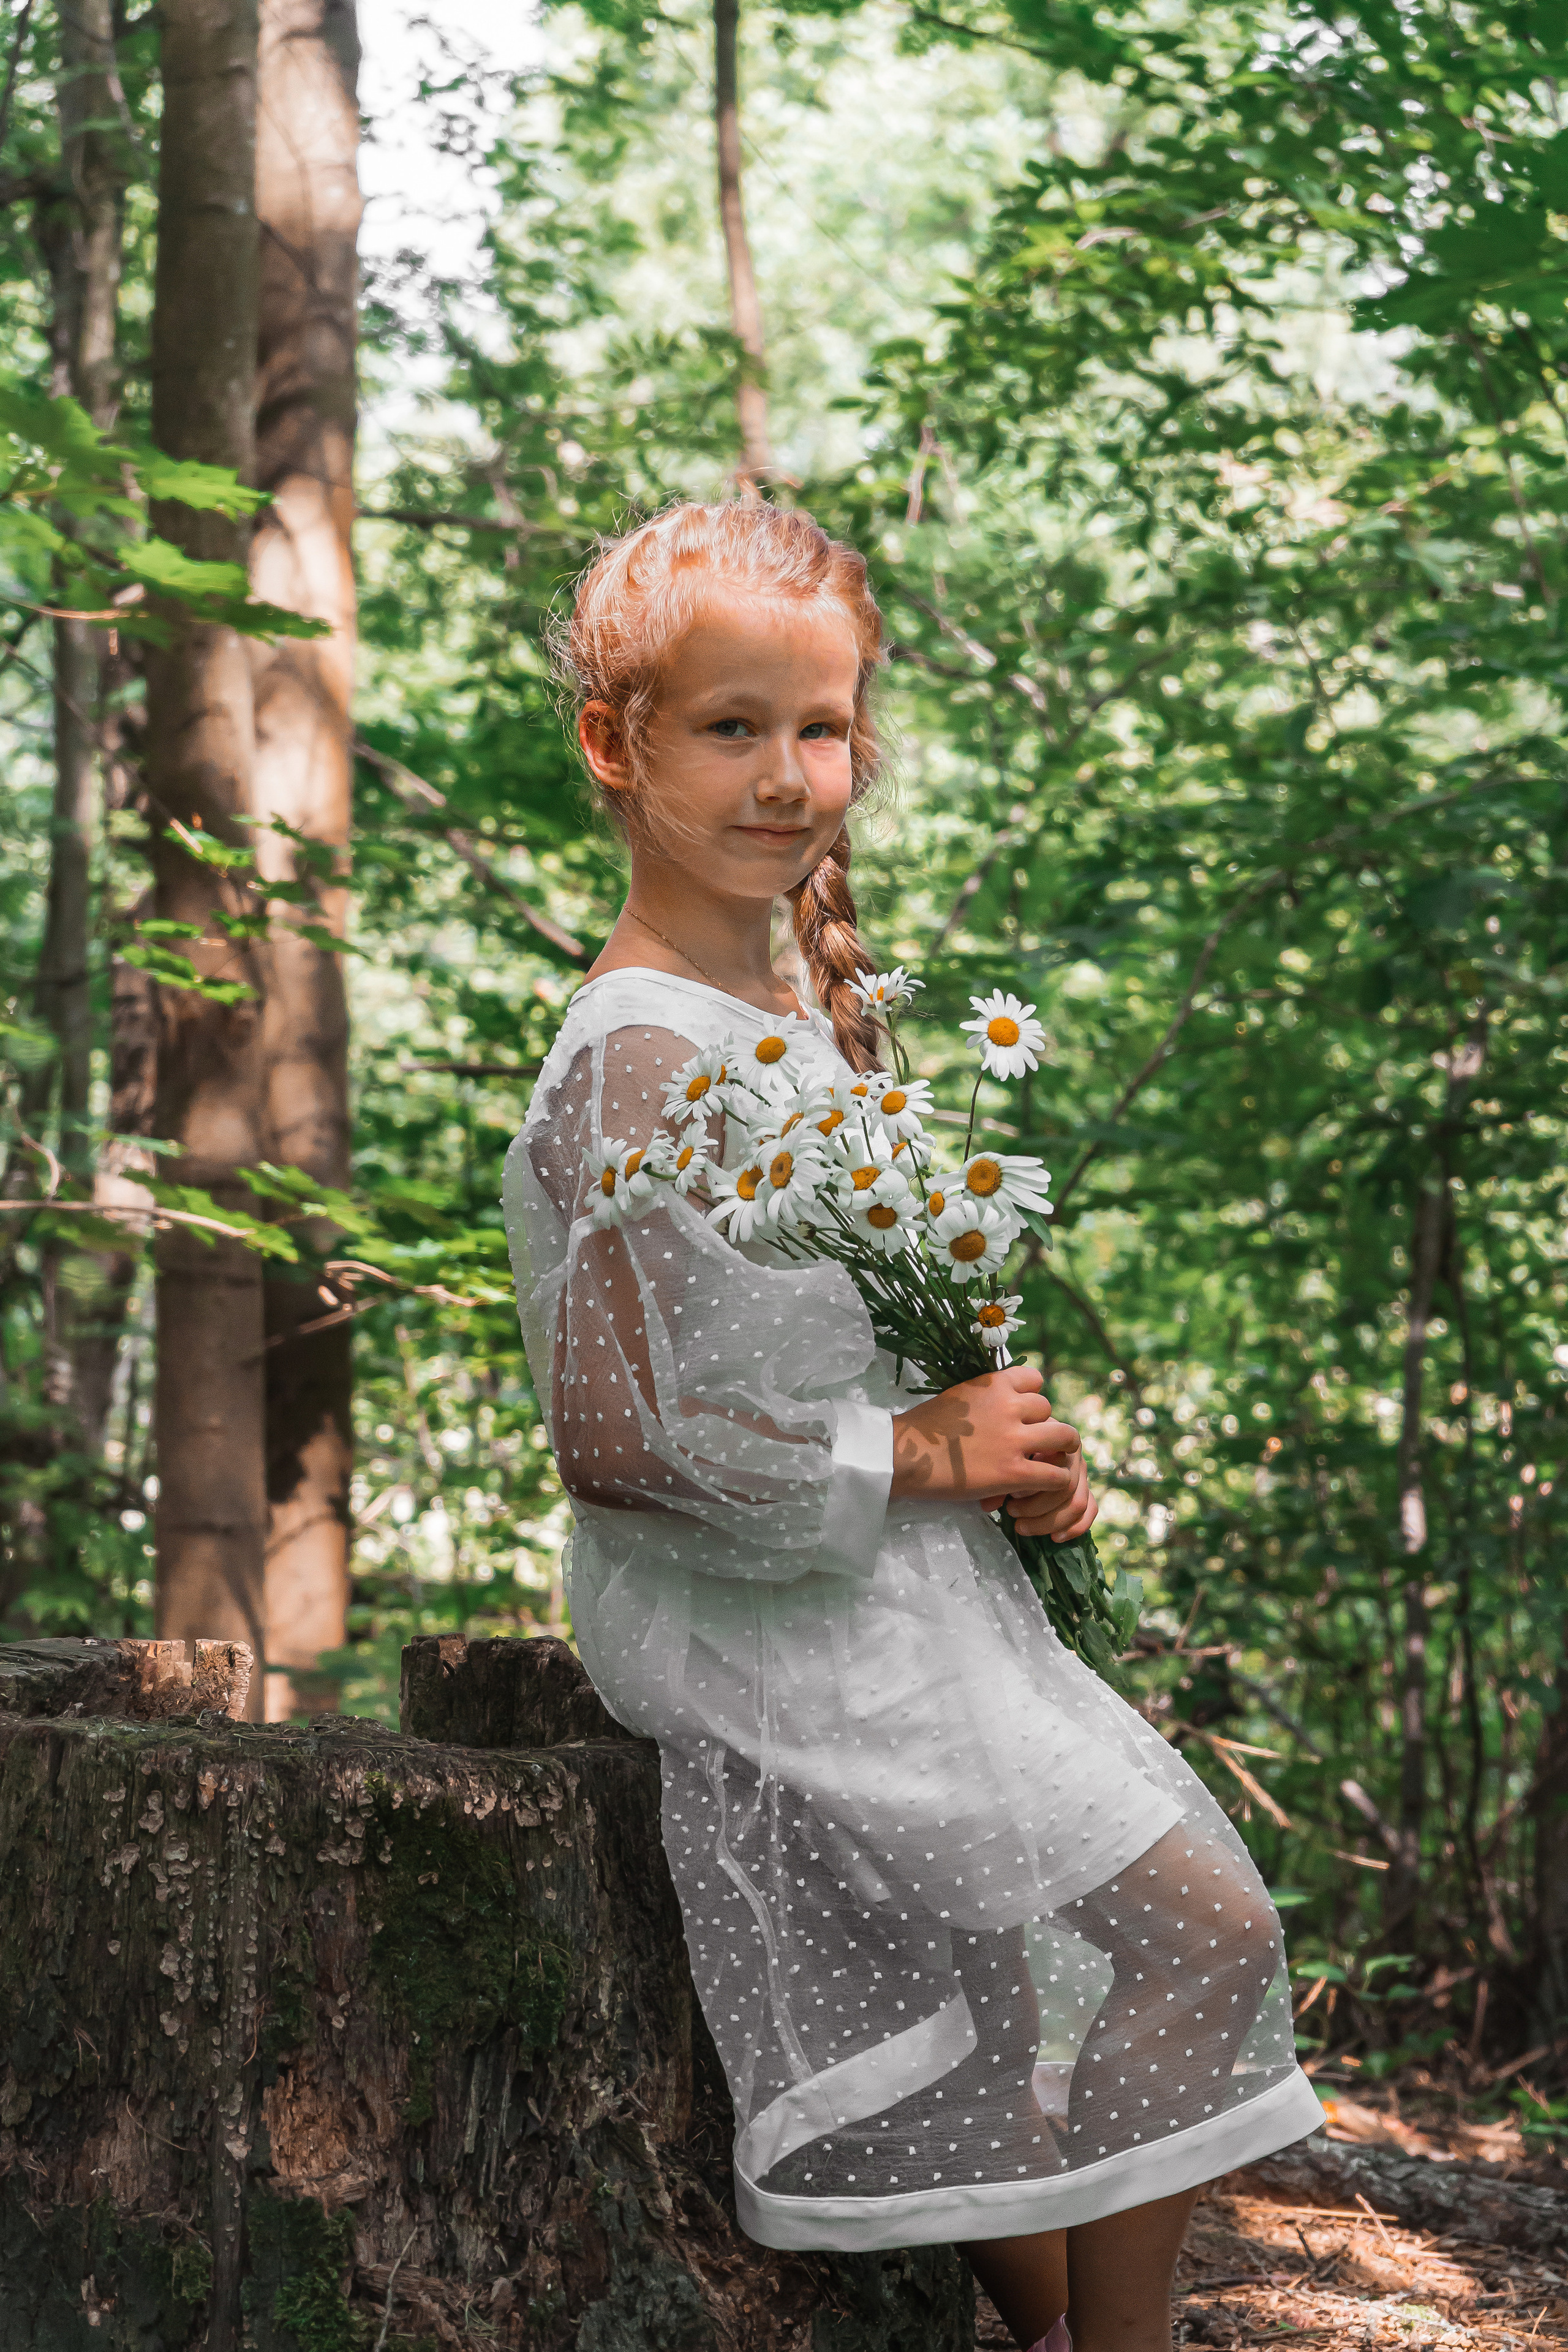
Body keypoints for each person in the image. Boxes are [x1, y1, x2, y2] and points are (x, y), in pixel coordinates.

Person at [502, 500, 1321, 2352]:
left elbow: (858, 1329)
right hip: (767, 1607)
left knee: (1005, 2017)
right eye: (731, 727)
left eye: (822, 728)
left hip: (899, 1578)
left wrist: (1004, 1446)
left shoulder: (786, 1010)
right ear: (613, 745)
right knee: (1209, 1935)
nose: (791, 777)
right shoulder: (637, 1052)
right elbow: (614, 1438)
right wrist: (912, 1459)